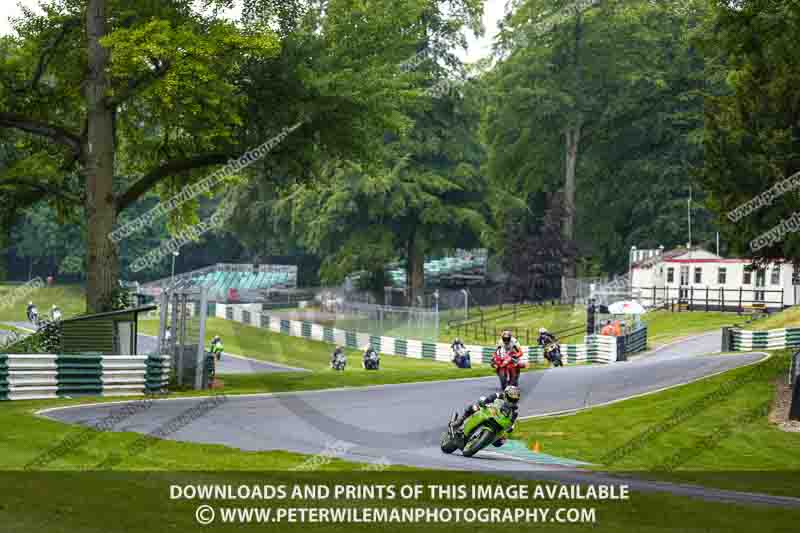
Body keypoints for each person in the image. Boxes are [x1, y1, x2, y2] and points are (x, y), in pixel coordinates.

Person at [449, 385, 521, 447]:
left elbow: (512, 423)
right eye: (510, 398)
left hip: (497, 423)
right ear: (506, 395)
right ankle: (460, 421)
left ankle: (481, 441)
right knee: (475, 407)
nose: (512, 401)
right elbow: (490, 397)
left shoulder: (514, 411)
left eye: (514, 400)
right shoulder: (499, 395)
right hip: (489, 412)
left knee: (501, 441)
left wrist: (510, 428)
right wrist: (485, 402)